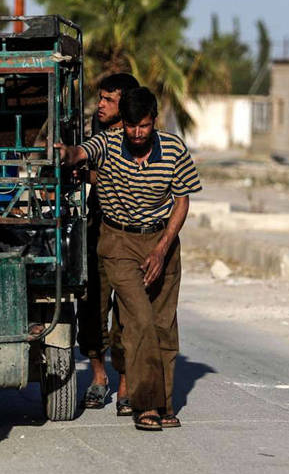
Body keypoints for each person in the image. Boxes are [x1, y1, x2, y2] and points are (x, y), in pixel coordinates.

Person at [57, 87, 201, 431]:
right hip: (118, 241)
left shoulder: (174, 149)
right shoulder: (108, 143)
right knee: (139, 319)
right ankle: (145, 405)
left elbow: (181, 201)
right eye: (132, 126)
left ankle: (164, 404)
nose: (137, 134)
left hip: (161, 239)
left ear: (155, 122)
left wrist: (161, 249)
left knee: (164, 327)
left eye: (145, 127)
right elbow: (82, 152)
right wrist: (68, 154)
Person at [79, 73, 139, 414]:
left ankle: (127, 386)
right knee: (92, 307)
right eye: (100, 98)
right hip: (97, 225)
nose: (100, 105)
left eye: (109, 100)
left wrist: (97, 174)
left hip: (133, 234)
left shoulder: (139, 133)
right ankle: (99, 378)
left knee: (129, 311)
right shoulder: (97, 127)